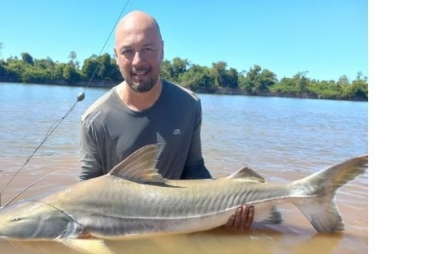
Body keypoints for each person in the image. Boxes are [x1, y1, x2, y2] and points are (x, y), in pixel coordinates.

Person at [78, 10, 276, 230]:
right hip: (122, 228)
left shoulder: (189, 104)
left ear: (162, 49)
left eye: (148, 49)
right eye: (127, 51)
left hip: (176, 221)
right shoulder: (94, 119)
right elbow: (86, 189)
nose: (138, 61)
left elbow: (194, 168)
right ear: (116, 56)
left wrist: (224, 209)